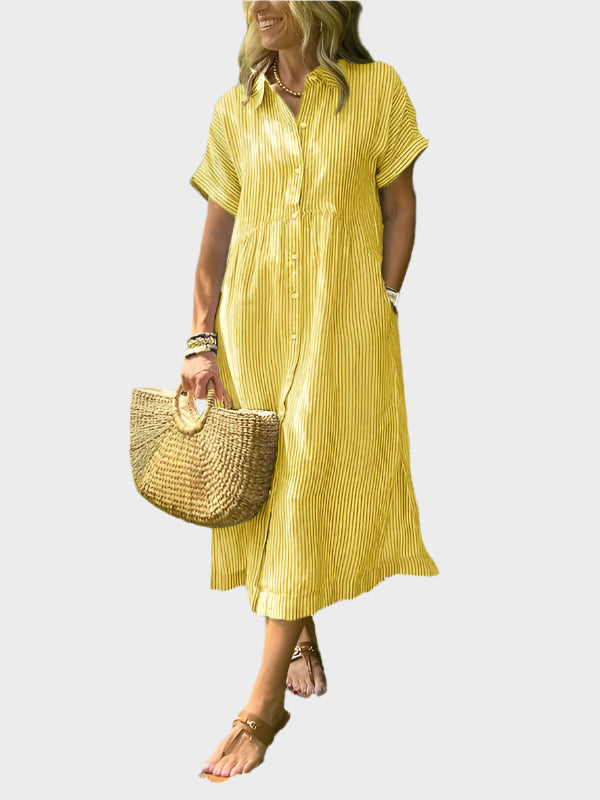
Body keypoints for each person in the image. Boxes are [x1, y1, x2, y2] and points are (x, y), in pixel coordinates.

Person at [180, 0, 439, 781]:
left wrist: (382, 300)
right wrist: (200, 341)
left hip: (340, 331)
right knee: (272, 490)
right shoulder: (235, 110)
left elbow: (400, 204)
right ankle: (300, 628)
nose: (259, 6)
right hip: (255, 331)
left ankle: (262, 707)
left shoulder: (379, 90)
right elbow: (215, 237)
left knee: (303, 485)